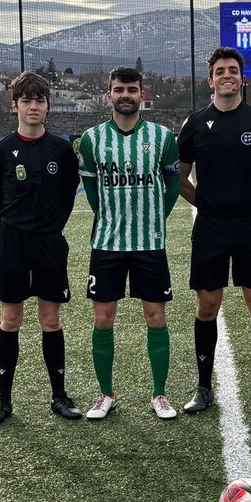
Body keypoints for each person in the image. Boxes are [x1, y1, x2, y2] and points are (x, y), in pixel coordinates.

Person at [177, 47, 251, 414]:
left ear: (243, 78)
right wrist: (203, 204)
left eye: (233, 70)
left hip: (250, 226)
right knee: (208, 305)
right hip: (210, 227)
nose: (227, 75)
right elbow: (180, 177)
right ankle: (203, 387)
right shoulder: (193, 124)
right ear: (210, 80)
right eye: (220, 70)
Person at [75, 67, 181, 420]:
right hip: (107, 243)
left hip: (149, 243)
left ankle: (159, 395)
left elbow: (173, 186)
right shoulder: (91, 140)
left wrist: (154, 218)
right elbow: (91, 190)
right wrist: (109, 216)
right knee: (103, 319)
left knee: (155, 316)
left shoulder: (163, 137)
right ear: (109, 95)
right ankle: (106, 394)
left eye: (132, 89)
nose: (126, 94)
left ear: (142, 95)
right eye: (119, 89)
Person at [0, 71, 81, 425]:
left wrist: (48, 228)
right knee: (10, 320)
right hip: (13, 244)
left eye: (39, 100)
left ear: (48, 105)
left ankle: (59, 395)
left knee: (50, 320)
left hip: (49, 243)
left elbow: (68, 196)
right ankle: (3, 399)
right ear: (15, 106)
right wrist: (18, 227)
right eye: (26, 100)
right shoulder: (0, 152)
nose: (33, 106)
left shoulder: (61, 150)